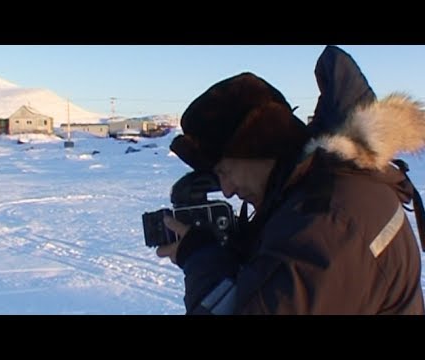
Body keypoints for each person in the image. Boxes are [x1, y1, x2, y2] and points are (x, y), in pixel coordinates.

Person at [155, 45, 425, 315]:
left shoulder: (329, 222)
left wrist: (201, 259)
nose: (225, 190)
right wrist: (237, 246)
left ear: (256, 147)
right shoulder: (328, 189)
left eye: (225, 172)